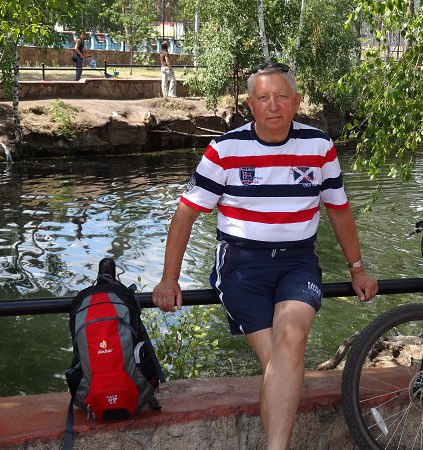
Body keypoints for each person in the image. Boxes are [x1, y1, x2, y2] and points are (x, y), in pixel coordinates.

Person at [152, 62, 378, 449]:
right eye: (264, 97)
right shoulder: (225, 150)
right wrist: (169, 278)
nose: (273, 105)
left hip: (298, 262)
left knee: (288, 346)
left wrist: (357, 269)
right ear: (250, 104)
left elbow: (339, 210)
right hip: (241, 265)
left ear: (297, 102)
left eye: (282, 96)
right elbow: (185, 214)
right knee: (280, 361)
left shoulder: (319, 146)